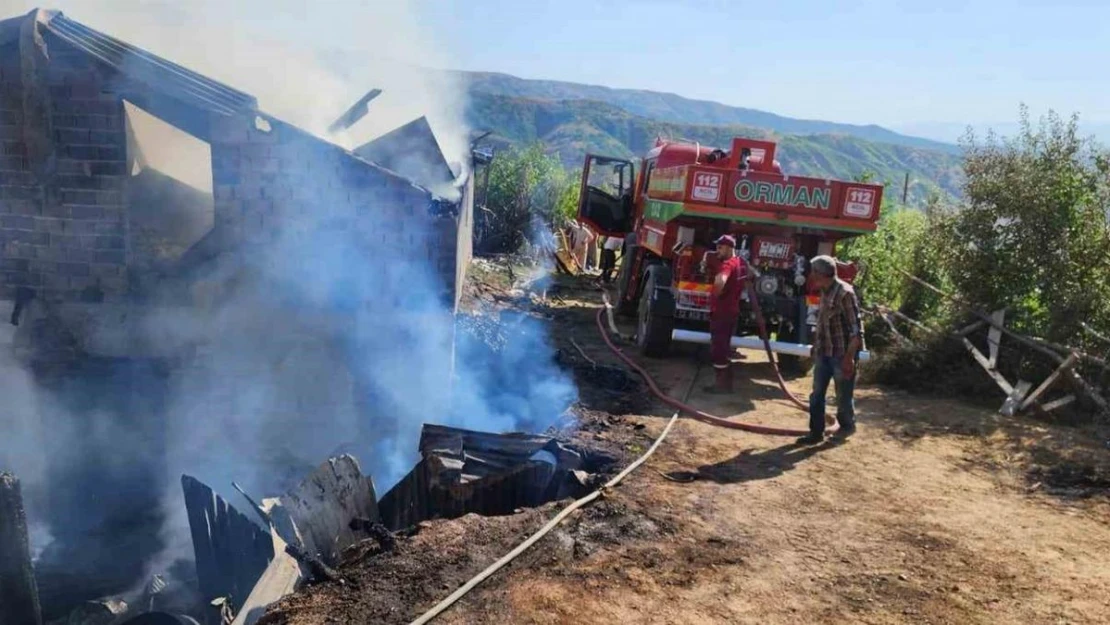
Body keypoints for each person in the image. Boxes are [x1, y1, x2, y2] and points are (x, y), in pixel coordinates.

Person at [797, 255, 862, 445]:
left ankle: (846, 427)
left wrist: (849, 358)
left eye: (813, 272)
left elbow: (856, 331)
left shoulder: (845, 293)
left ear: (819, 274)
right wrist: (816, 348)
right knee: (816, 394)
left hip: (842, 355)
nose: (810, 276)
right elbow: (824, 323)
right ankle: (815, 433)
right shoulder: (825, 291)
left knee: (843, 396)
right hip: (825, 353)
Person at [704, 234, 748, 394]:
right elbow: (752, 275)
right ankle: (726, 383)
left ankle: (721, 385)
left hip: (722, 312)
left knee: (718, 348)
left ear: (729, 248)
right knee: (724, 346)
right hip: (731, 312)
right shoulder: (741, 262)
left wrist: (715, 294)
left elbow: (721, 281)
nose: (717, 250)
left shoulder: (727, 264)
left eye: (720, 247)